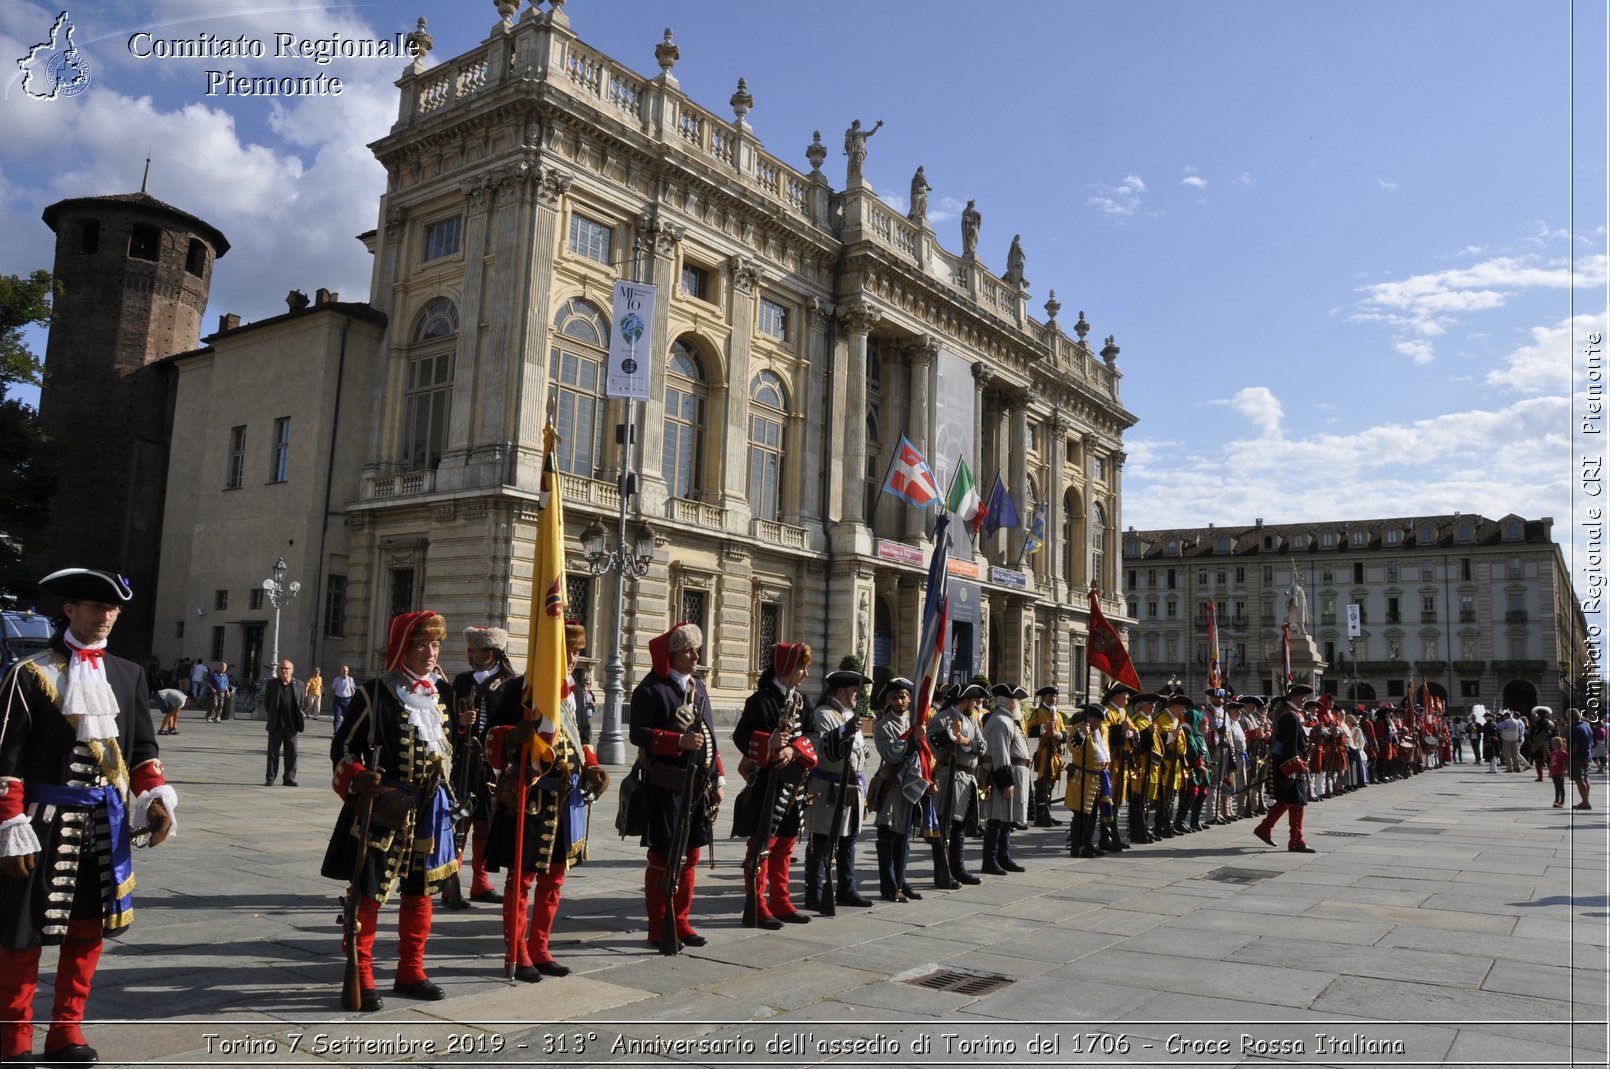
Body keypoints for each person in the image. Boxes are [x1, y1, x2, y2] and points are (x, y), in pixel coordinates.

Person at [0, 568, 177, 1065]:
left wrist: (156, 798)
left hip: (104, 826)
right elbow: (5, 760)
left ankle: (66, 1033)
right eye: (96, 608)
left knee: (87, 932)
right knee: (22, 938)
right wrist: (10, 825)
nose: (106, 617)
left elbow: (142, 749)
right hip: (38, 825)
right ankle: (12, 1041)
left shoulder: (128, 673)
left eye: (113, 610)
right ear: (70, 611)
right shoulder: (29, 673)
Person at [320, 611, 459, 1010]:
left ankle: (410, 970)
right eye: (421, 645)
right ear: (402, 647)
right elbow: (343, 748)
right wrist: (359, 776)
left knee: (421, 892)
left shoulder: (441, 693)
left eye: (435, 645)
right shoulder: (375, 693)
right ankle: (361, 973)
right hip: (385, 811)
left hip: (431, 809)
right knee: (369, 894)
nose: (430, 653)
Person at [486, 619, 606, 980]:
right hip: (531, 796)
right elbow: (491, 741)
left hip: (565, 799)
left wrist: (594, 765)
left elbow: (582, 737)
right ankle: (517, 951)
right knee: (522, 880)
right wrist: (513, 735)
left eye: (578, 652)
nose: (573, 658)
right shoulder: (521, 690)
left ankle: (540, 947)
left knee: (554, 878)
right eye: (568, 650)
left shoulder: (574, 693)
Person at [628, 622, 724, 952]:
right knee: (663, 858)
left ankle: (681, 920)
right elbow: (638, 733)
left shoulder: (698, 688)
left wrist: (718, 778)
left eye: (697, 649)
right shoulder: (652, 689)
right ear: (672, 655)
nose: (697, 655)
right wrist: (676, 740)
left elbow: (710, 736)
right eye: (689, 650)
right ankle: (658, 926)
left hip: (697, 788)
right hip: (665, 788)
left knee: (692, 855)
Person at [732, 643, 816, 928]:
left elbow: (815, 734)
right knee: (761, 847)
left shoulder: (803, 700)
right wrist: (769, 743)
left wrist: (794, 750)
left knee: (786, 846)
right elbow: (741, 737)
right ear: (786, 669)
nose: (805, 674)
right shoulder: (760, 701)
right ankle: (757, 905)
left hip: (795, 786)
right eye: (801, 668)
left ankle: (781, 902)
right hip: (767, 784)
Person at [444, 626, 519, 909]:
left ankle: (481, 882)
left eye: (473, 650)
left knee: (486, 826)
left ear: (489, 654)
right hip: (465, 763)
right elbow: (447, 720)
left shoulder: (511, 683)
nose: (468, 654)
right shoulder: (462, 681)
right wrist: (461, 723)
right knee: (459, 824)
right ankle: (451, 884)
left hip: (493, 766)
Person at [803, 666, 873, 910]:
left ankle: (847, 889)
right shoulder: (824, 714)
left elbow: (857, 751)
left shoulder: (847, 715)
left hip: (851, 789)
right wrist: (845, 730)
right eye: (855, 690)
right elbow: (825, 749)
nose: (858, 695)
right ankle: (815, 894)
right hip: (827, 789)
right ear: (840, 691)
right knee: (821, 842)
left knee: (849, 840)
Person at [870, 676, 927, 903]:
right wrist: (913, 739)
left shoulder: (914, 721)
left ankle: (902, 881)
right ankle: (889, 885)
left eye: (903, 697)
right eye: (894, 698)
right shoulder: (884, 725)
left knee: (904, 837)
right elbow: (892, 754)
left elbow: (924, 753)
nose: (899, 701)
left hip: (910, 784)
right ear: (888, 701)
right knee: (889, 834)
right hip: (892, 786)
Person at [927, 682, 986, 887]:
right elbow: (931, 744)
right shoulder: (942, 719)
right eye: (972, 700)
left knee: (959, 827)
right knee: (944, 827)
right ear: (963, 701)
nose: (975, 703)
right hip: (949, 776)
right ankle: (943, 872)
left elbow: (982, 745)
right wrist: (950, 735)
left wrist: (965, 742)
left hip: (968, 777)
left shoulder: (972, 719)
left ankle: (958, 869)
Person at [1254, 685, 1316, 853]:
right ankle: (1296, 840)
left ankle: (1265, 828)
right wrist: (1294, 769)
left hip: (1291, 764)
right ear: (1293, 698)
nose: (1304, 700)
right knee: (1297, 802)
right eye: (1302, 697)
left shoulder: (1291, 715)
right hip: (1292, 764)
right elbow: (1290, 747)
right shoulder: (1291, 717)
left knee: (1289, 800)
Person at [980, 683, 1030, 875]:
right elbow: (1001, 754)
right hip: (1004, 774)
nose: (1018, 704)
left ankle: (1003, 856)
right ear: (1009, 702)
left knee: (1006, 820)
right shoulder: (1001, 721)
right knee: (997, 819)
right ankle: (990, 860)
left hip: (1014, 772)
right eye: (1016, 700)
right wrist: (1005, 782)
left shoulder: (1008, 719)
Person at [1065, 703, 1114, 858]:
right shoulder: (1079, 729)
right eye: (1098, 720)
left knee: (1092, 814)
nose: (1100, 724)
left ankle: (1088, 843)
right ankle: (1076, 846)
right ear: (1091, 718)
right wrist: (1081, 735)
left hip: (1097, 778)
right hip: (1082, 778)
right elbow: (1072, 748)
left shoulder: (1101, 731)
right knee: (1081, 815)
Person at [1025, 685, 1066, 827]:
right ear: (1044, 698)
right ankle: (1041, 815)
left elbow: (1065, 734)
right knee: (1042, 783)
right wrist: (1043, 729)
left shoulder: (1059, 715)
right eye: (1050, 696)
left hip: (1056, 754)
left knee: (1051, 784)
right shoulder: (1039, 712)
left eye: (1054, 696)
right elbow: (1028, 729)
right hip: (1044, 752)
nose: (1053, 698)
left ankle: (1048, 812)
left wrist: (1058, 735)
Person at [262, 659, 306, 786]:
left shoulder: (299, 685)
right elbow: (267, 704)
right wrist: (273, 716)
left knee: (292, 753)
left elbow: (301, 703)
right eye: (282, 668)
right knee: (273, 752)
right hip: (275, 725)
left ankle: (289, 778)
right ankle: (270, 778)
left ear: (292, 670)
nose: (284, 671)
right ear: (279, 671)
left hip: (292, 726)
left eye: (287, 668)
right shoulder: (272, 684)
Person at [843, 118, 882, 182]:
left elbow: (871, 133)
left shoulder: (861, 132)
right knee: (852, 161)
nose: (859, 125)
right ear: (856, 124)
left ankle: (859, 173)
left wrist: (876, 126)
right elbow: (847, 139)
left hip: (861, 147)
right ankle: (852, 175)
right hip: (853, 147)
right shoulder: (850, 131)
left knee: (860, 159)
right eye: (859, 124)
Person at [1569, 708, 1593, 810]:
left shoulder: (1575, 728)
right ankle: (1584, 801)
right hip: (1586, 756)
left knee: (1579, 780)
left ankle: (1585, 802)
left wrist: (1569, 756)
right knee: (1585, 779)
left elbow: (1575, 745)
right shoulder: (1586, 726)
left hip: (1577, 757)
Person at [331, 665, 356, 733]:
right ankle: (336, 732)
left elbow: (353, 690)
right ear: (341, 671)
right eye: (344, 671)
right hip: (338, 700)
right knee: (337, 718)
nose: (345, 672)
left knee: (347, 718)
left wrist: (355, 699)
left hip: (347, 700)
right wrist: (332, 699)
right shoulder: (336, 679)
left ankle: (345, 732)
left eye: (346, 671)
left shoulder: (350, 679)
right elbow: (333, 689)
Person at [1548, 737, 1569, 809]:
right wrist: (1550, 771)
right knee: (1556, 787)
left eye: (1554, 743)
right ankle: (1556, 800)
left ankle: (1562, 801)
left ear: (1558, 744)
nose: (1552, 745)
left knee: (1561, 787)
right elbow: (1551, 762)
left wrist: (1564, 771)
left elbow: (1565, 763)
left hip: (1560, 771)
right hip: (1554, 771)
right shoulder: (1553, 753)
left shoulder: (1563, 753)